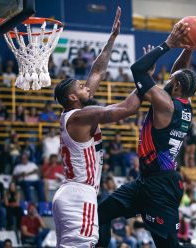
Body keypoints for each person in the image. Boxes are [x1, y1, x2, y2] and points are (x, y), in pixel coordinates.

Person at [98, 21, 196, 247]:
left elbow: (137, 69)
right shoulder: (184, 101)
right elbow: (178, 74)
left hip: (161, 188)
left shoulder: (166, 104)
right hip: (146, 181)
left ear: (175, 88)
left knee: (168, 244)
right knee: (100, 215)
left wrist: (168, 44)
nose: (166, 80)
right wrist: (188, 49)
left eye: (169, 81)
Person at [52, 7, 141, 247]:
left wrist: (112, 38)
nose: (87, 87)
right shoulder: (81, 116)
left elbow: (98, 71)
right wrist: (147, 79)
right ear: (73, 98)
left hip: (72, 193)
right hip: (79, 195)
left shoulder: (77, 114)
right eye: (81, 87)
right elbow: (126, 109)